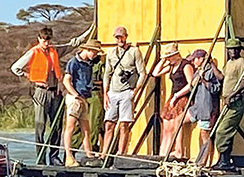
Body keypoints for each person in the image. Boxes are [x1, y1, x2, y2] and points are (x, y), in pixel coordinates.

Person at [10, 26, 91, 165]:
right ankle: (40, 159)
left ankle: (54, 157)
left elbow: (72, 44)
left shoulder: (55, 50)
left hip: (56, 92)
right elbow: (15, 67)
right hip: (41, 91)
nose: (46, 43)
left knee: (56, 126)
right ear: (39, 39)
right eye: (44, 40)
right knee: (40, 126)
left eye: (48, 40)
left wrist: (90, 31)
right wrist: (28, 75)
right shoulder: (33, 52)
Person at [61, 38, 104, 166]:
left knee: (86, 129)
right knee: (70, 127)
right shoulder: (73, 62)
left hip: (84, 97)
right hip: (75, 98)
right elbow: (66, 80)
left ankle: (88, 154)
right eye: (94, 52)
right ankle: (68, 156)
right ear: (88, 50)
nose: (95, 55)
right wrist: (75, 95)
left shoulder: (89, 63)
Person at [101, 26, 142, 159]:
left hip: (127, 91)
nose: (120, 39)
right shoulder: (111, 53)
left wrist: (135, 90)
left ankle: (121, 153)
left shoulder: (134, 52)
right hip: (113, 91)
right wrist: (105, 93)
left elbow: (142, 72)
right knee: (109, 123)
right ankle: (104, 154)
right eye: (117, 37)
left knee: (124, 124)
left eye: (122, 36)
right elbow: (107, 73)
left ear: (126, 36)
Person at [210, 38, 244, 171]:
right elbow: (222, 78)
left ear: (239, 50)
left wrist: (231, 96)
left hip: (235, 102)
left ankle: (225, 161)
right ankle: (223, 159)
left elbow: (243, 85)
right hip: (227, 102)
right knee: (222, 131)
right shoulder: (229, 63)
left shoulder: (241, 63)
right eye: (230, 49)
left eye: (235, 49)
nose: (232, 51)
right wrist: (212, 65)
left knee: (222, 131)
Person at [151, 43, 195, 160]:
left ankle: (178, 150)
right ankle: (163, 153)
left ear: (176, 55)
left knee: (176, 124)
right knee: (166, 126)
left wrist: (177, 96)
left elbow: (191, 84)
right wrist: (163, 60)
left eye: (170, 57)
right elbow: (155, 73)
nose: (169, 59)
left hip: (182, 96)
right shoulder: (171, 66)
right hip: (173, 97)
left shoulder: (185, 65)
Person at [188, 50, 223, 166]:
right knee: (179, 121)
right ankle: (181, 154)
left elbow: (215, 89)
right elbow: (192, 86)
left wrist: (203, 80)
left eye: (195, 59)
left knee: (205, 134)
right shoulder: (198, 71)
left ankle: (204, 162)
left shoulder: (211, 72)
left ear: (201, 59)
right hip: (197, 107)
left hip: (207, 109)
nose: (193, 62)